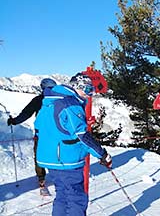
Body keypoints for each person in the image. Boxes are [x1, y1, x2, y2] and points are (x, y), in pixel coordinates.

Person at [34, 72, 112, 216]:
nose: (90, 94)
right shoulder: (70, 105)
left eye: (92, 91)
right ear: (78, 87)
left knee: (62, 195)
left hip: (52, 159)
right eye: (88, 90)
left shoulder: (49, 102)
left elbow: (38, 127)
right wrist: (102, 154)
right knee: (76, 198)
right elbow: (81, 135)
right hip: (66, 159)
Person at [7, 78, 57, 189]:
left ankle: (41, 178)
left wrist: (14, 121)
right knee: (56, 154)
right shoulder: (60, 100)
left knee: (39, 155)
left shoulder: (38, 100)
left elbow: (26, 114)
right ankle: (58, 177)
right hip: (58, 135)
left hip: (41, 135)